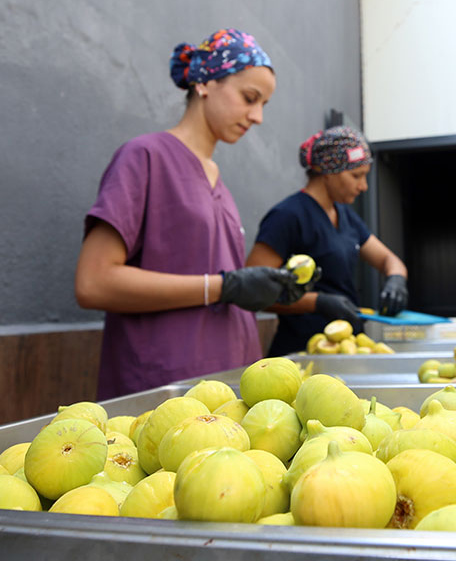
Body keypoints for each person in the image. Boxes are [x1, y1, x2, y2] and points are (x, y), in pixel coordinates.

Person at [75, 28, 308, 399]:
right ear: (205, 83)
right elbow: (94, 282)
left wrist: (269, 288)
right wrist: (223, 286)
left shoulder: (218, 182)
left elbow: (217, 277)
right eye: (250, 98)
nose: (258, 116)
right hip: (168, 390)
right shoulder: (144, 157)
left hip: (233, 384)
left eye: (264, 104)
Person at [245, 125, 409, 356]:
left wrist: (396, 279)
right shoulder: (287, 216)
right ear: (329, 172)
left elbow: (388, 260)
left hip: (346, 349)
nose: (363, 186)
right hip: (303, 349)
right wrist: (318, 302)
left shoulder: (347, 217)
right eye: (356, 175)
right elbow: (252, 290)